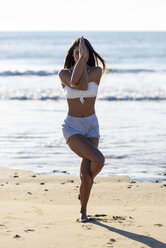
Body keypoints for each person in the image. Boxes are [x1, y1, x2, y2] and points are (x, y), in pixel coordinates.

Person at [58, 36, 106, 222]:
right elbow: (78, 84)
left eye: (83, 52)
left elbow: (84, 83)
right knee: (99, 159)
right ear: (72, 55)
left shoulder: (96, 71)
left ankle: (83, 210)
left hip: (91, 125)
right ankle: (85, 191)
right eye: (77, 52)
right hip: (72, 127)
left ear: (89, 54)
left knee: (87, 173)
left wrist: (85, 61)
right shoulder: (63, 74)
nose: (80, 55)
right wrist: (82, 60)